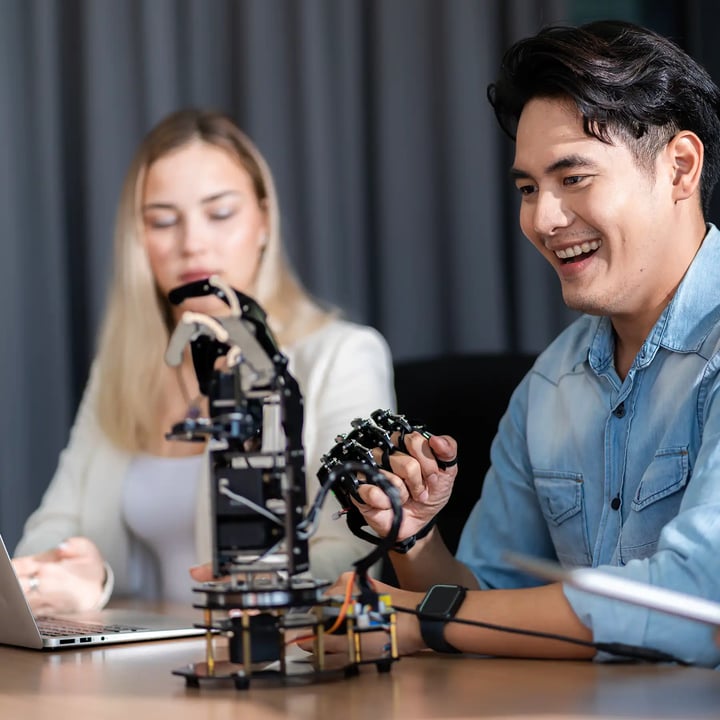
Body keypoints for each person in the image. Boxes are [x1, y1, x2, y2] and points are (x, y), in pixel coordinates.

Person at [305, 20, 720, 667]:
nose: (543, 219)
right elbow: (486, 605)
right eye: (528, 188)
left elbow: (697, 606)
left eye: (574, 178)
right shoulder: (553, 381)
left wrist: (415, 615)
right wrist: (416, 542)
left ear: (680, 167)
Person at [12, 109, 395, 614]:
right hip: (130, 681)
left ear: (263, 220)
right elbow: (47, 535)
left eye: (219, 213)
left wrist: (254, 586)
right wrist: (78, 577)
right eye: (163, 221)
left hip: (278, 668)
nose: (192, 243)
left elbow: (353, 553)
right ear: (139, 240)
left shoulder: (341, 356)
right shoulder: (120, 369)